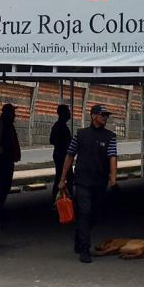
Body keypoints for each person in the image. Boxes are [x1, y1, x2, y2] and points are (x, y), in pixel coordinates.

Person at [59, 104, 118, 263]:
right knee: (85, 211)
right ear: (93, 116)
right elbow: (69, 156)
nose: (105, 117)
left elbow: (112, 157)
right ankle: (84, 249)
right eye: (103, 115)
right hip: (82, 181)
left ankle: (80, 234)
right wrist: (62, 179)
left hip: (100, 181)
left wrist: (113, 178)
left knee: (95, 214)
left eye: (107, 115)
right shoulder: (80, 134)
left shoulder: (110, 136)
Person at [0, 104, 21, 209]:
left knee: (6, 185)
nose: (14, 115)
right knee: (0, 184)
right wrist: (0, 152)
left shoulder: (10, 126)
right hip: (0, 160)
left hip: (8, 160)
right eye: (13, 112)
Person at [50, 104, 72, 202]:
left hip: (61, 155)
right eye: (68, 111)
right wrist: (63, 144)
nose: (69, 113)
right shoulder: (59, 126)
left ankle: (60, 198)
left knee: (63, 177)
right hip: (61, 156)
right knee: (63, 177)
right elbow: (52, 140)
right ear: (63, 113)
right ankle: (59, 199)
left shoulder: (60, 125)